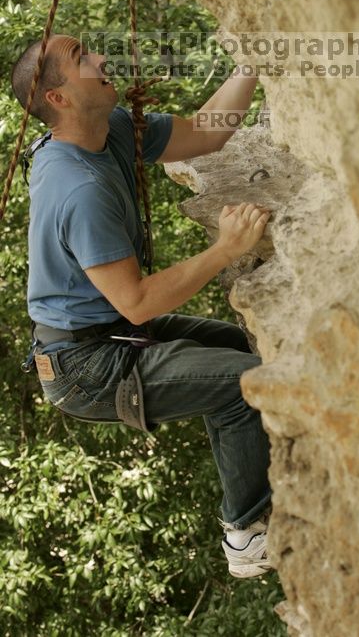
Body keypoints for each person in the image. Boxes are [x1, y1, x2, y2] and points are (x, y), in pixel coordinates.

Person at [11, 33, 273, 579]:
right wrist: (226, 249)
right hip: (85, 366)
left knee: (246, 347)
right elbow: (136, 301)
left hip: (103, 335)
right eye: (82, 59)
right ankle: (245, 535)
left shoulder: (109, 136)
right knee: (247, 382)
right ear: (57, 98)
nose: (101, 58)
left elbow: (205, 135)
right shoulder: (77, 187)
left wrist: (255, 59)